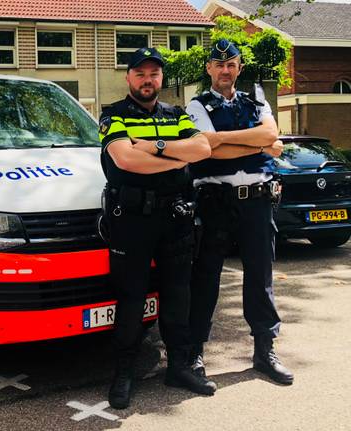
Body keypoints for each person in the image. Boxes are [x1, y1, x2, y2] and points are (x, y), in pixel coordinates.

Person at [99, 47, 216, 409]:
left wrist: (156, 147)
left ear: (161, 78)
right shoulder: (112, 115)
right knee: (132, 298)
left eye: (154, 74)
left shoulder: (177, 115)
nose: (147, 80)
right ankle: (124, 372)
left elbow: (203, 149)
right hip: (132, 222)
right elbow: (125, 159)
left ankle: (179, 367)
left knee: (178, 295)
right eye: (140, 73)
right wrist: (176, 157)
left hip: (175, 219)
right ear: (128, 77)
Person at [186, 39, 293, 385]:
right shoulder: (197, 104)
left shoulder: (257, 100)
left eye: (230, 64)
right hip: (215, 201)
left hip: (258, 201)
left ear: (239, 68)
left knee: (260, 279)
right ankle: (193, 354)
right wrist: (260, 144)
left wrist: (228, 139)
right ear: (209, 69)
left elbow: (272, 133)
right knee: (205, 279)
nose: (224, 70)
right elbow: (205, 149)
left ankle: (265, 351)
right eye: (218, 65)